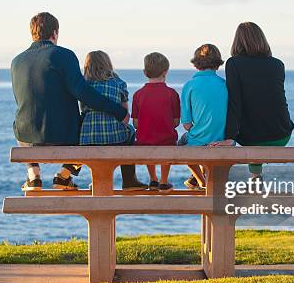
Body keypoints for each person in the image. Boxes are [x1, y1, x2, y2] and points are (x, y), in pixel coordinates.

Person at [11, 12, 128, 191]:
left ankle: (34, 175)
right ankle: (64, 175)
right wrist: (118, 112)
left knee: (20, 122)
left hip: (26, 136)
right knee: (87, 127)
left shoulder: (16, 61)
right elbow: (83, 92)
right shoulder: (63, 55)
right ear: (55, 33)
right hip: (62, 136)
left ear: (32, 33)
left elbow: (21, 99)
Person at [210, 22, 294, 181]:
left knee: (250, 135)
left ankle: (252, 176)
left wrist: (229, 137)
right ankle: (256, 177)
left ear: (238, 41)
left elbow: (235, 103)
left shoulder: (234, 63)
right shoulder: (278, 64)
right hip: (282, 134)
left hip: (251, 139)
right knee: (260, 122)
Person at [79, 50, 147, 190]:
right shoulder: (118, 83)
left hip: (87, 138)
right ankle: (129, 180)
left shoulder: (84, 85)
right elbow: (125, 116)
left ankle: (98, 180)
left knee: (96, 147)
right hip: (114, 137)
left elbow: (83, 109)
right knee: (130, 131)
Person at [179, 44, 228, 189]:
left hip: (199, 138)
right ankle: (196, 179)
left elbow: (187, 124)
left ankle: (200, 180)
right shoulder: (225, 85)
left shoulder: (190, 85)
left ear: (196, 64)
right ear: (218, 64)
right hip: (222, 138)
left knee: (181, 146)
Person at [132, 52, 180, 192]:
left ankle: (153, 179)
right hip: (167, 141)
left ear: (144, 72)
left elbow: (135, 124)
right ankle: (164, 181)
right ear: (166, 72)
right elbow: (176, 122)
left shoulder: (138, 94)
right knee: (168, 142)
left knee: (146, 140)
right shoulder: (172, 94)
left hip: (144, 142)